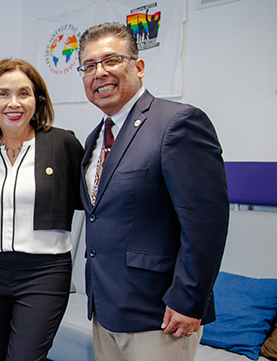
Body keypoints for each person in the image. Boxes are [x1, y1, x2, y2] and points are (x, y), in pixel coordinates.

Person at [77, 22, 229, 361]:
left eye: (111, 60)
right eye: (89, 66)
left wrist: (189, 300)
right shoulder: (95, 138)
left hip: (159, 314)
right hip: (106, 309)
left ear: (139, 67)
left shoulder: (178, 123)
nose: (99, 73)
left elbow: (206, 225)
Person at [0, 58, 84, 361]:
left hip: (44, 272)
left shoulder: (63, 144)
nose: (13, 103)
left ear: (37, 101)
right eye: (2, 94)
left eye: (24, 93)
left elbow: (90, 200)